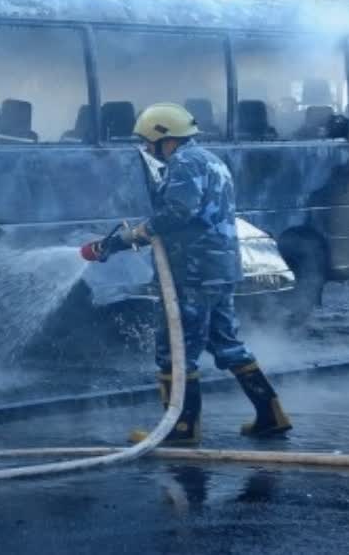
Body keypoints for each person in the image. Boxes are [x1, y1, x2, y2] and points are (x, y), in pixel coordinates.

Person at [80, 103, 291, 445]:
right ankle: (272, 414)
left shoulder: (185, 164)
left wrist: (129, 237)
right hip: (219, 267)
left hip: (194, 271)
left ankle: (180, 428)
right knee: (226, 342)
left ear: (164, 137)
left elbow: (177, 212)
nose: (146, 149)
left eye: (148, 142)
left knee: (175, 349)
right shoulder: (209, 160)